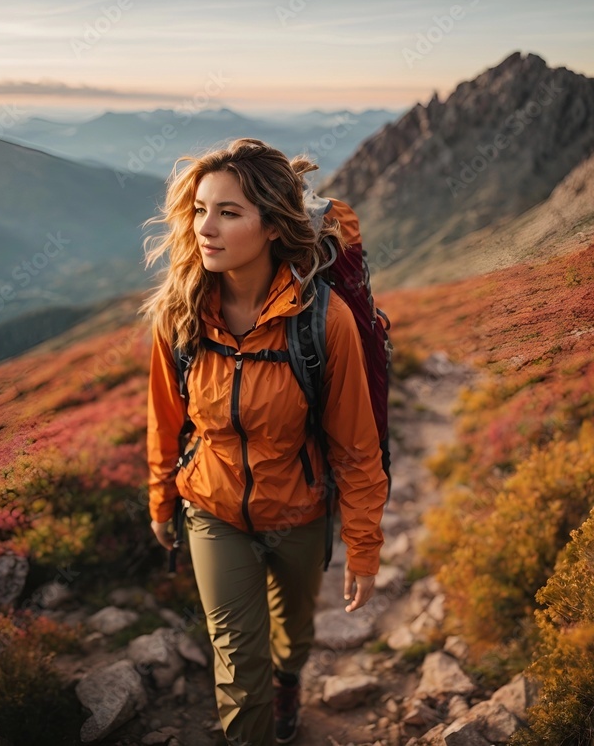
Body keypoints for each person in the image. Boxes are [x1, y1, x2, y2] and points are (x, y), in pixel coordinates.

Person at [141, 138, 387, 745]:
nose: (206, 228)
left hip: (300, 510)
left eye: (229, 213)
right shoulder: (179, 315)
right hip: (214, 509)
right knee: (238, 666)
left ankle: (290, 681)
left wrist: (363, 545)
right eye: (200, 210)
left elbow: (356, 447)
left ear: (274, 226)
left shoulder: (324, 322)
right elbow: (165, 418)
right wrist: (161, 499)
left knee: (293, 636)